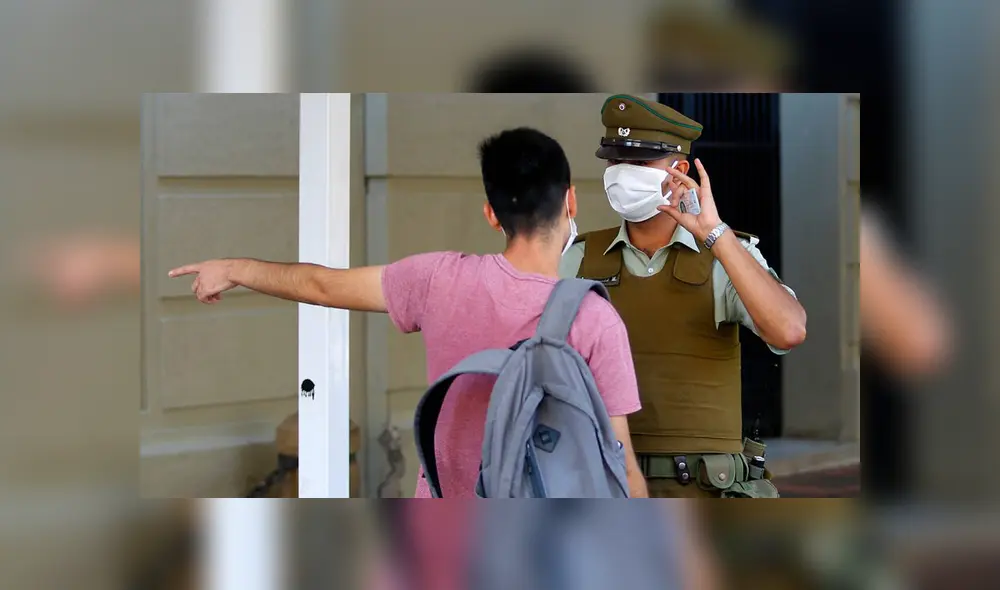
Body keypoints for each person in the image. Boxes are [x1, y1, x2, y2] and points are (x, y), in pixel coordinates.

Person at [169, 127, 648, 498]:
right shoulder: (594, 318)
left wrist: (233, 268)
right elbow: (620, 463)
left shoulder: (436, 280)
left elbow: (321, 284)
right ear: (571, 200)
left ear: (491, 214)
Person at [559, 94, 807, 498]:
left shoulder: (725, 255)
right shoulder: (579, 259)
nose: (623, 174)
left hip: (705, 487)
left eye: (639, 163)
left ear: (679, 169)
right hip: (607, 483)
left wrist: (716, 235)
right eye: (615, 161)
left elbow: (789, 330)